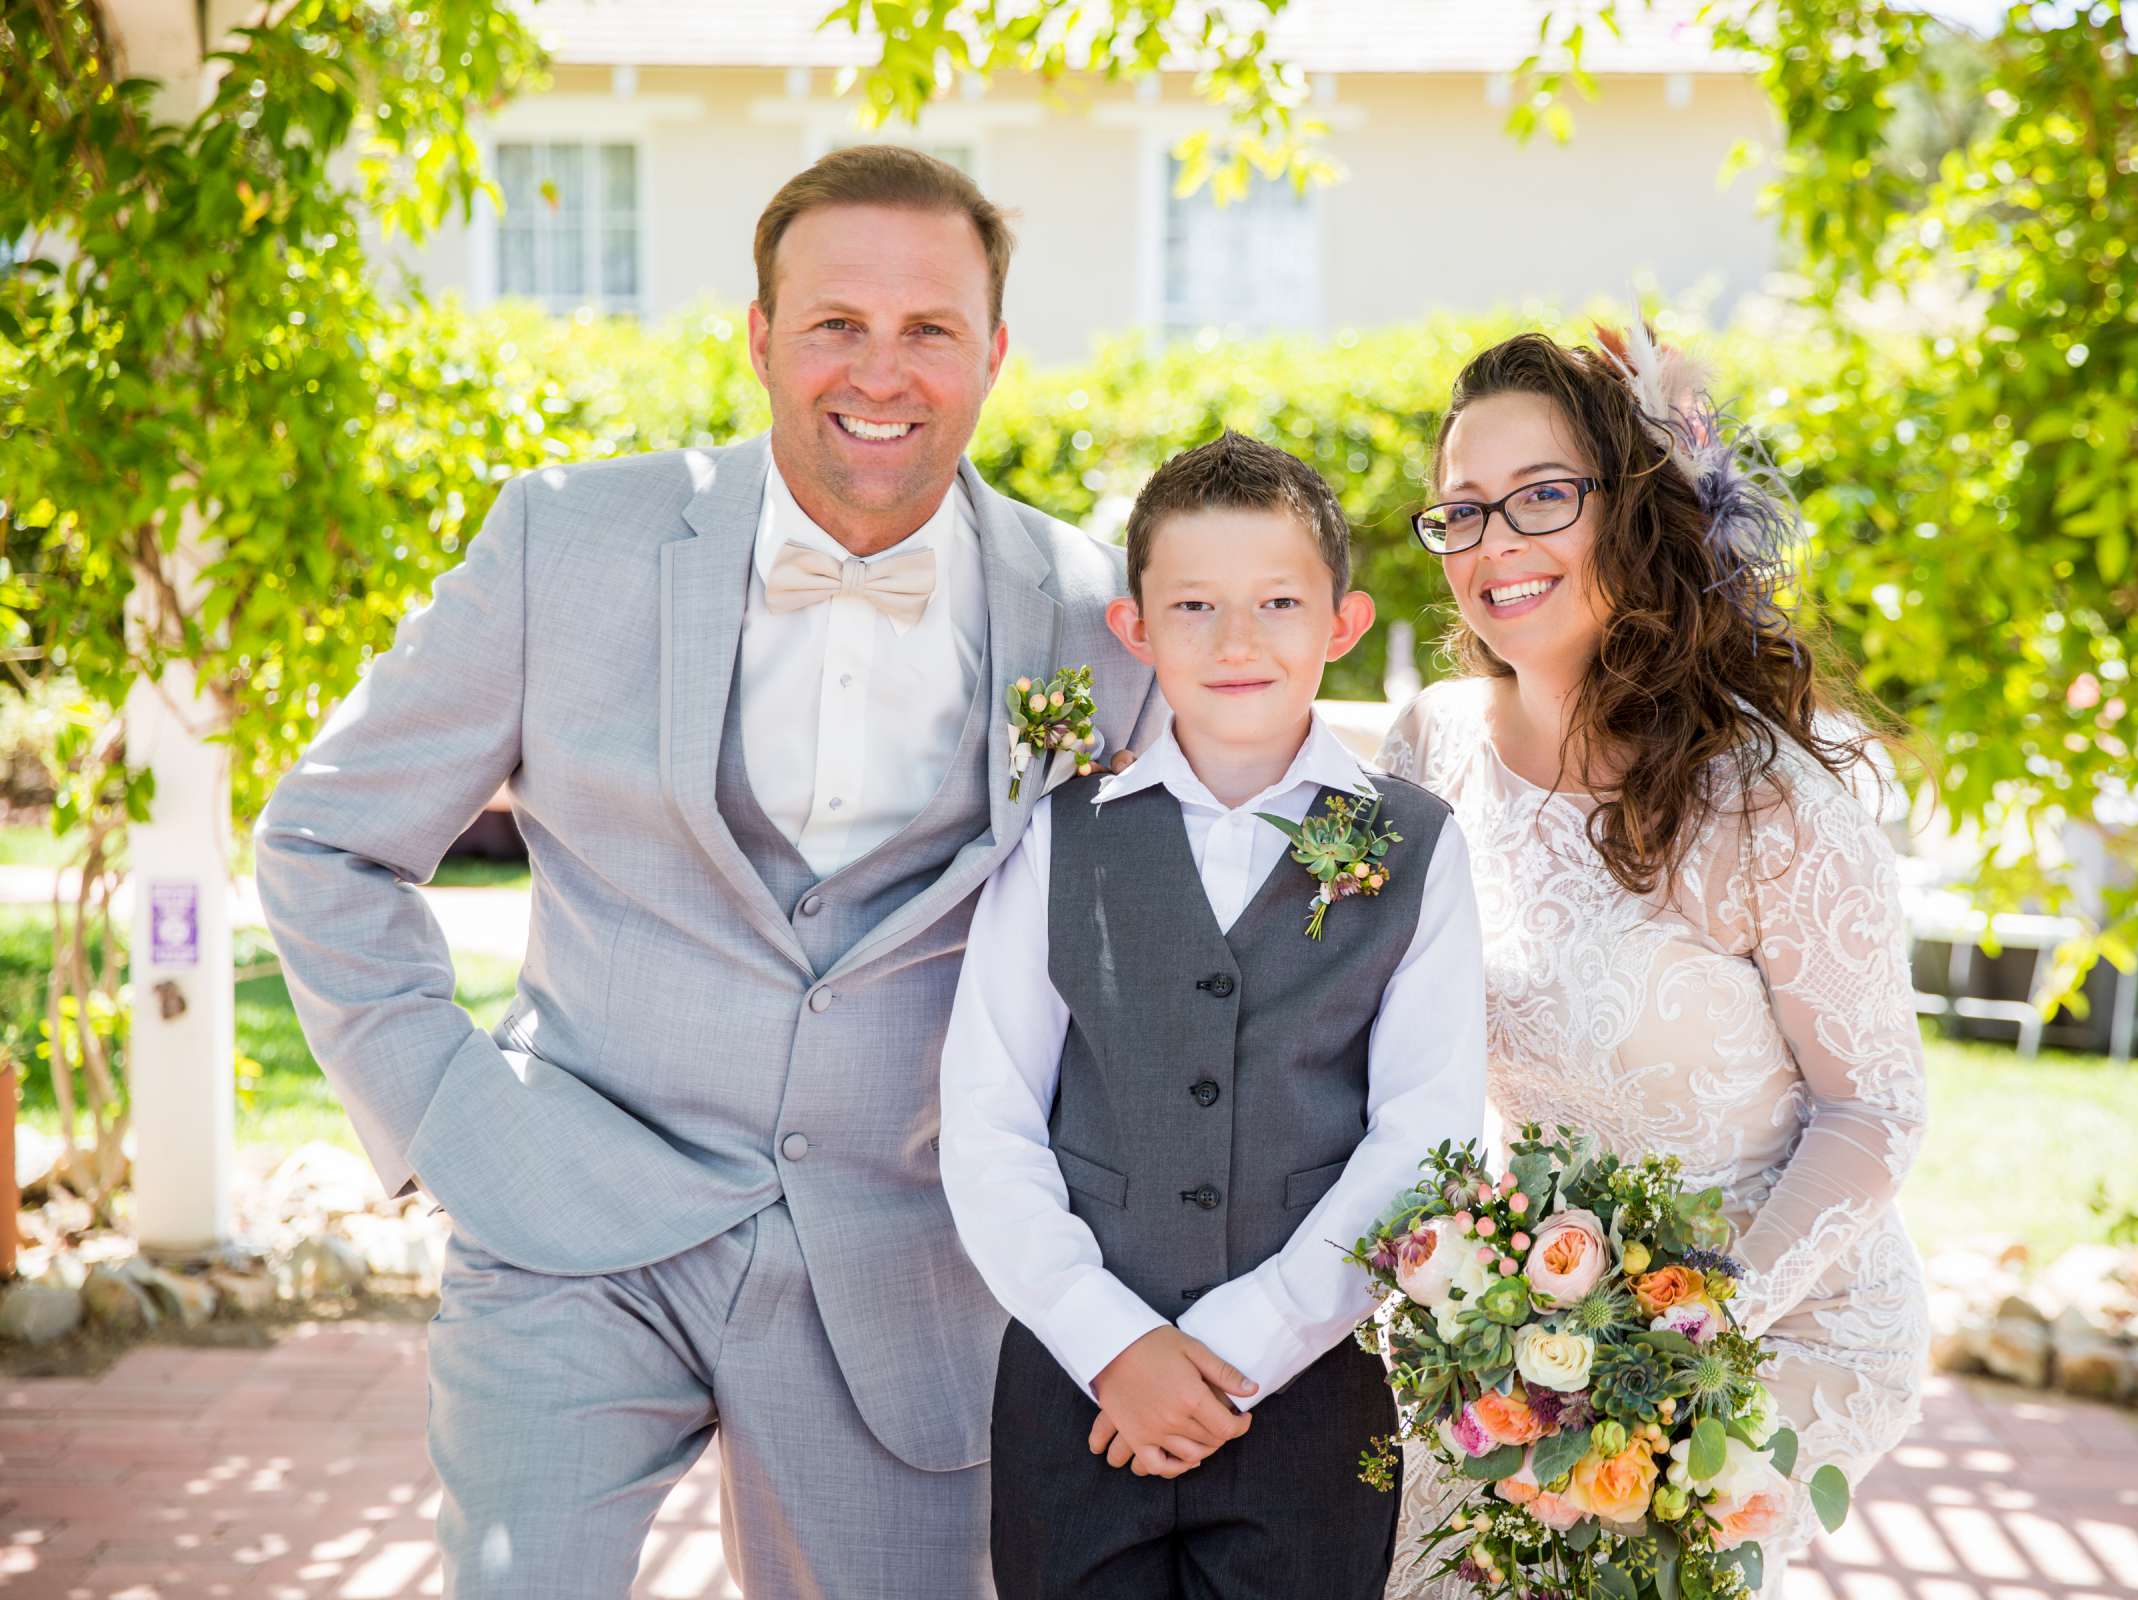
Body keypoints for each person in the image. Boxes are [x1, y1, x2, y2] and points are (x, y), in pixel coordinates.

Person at [252, 145, 1160, 1597]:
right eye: (834, 325)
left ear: (993, 351)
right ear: (757, 338)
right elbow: (324, 842)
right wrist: (444, 1121)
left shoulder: (1100, 616)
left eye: (929, 328)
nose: (882, 370)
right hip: (570, 1220)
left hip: (908, 1266)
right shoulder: (568, 538)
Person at [1377, 329, 1929, 1599]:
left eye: (1543, 497)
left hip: (1778, 1312)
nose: (1494, 543)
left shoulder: (1765, 801)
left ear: (1636, 514)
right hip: (1530, 1315)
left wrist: (1694, 1334)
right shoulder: (1429, 747)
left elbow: (1874, 1109)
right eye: (1462, 510)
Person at [939, 431, 1488, 1600]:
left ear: (1340, 622)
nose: (1237, 641)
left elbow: (1424, 1134)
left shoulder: (1420, 844)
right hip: (1076, 1392)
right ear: (1134, 628)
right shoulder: (1060, 834)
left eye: (1278, 601)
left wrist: (1246, 1345)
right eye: (1193, 604)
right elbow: (987, 1119)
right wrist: (1111, 1341)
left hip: (1308, 1401)